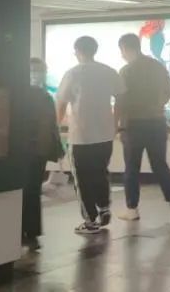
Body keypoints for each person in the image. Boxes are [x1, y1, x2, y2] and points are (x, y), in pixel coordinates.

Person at [56, 36, 125, 234]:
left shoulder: (73, 73)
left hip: (81, 136)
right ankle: (103, 208)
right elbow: (121, 99)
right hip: (104, 135)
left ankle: (90, 222)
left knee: (82, 180)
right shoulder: (108, 71)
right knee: (100, 173)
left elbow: (61, 103)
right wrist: (115, 124)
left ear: (77, 51)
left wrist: (56, 126)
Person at [116, 33, 170, 227]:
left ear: (125, 48)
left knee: (132, 167)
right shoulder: (157, 66)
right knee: (159, 164)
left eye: (122, 51)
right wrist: (156, 105)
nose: (122, 55)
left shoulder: (126, 71)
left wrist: (117, 125)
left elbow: (120, 101)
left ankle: (132, 209)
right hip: (157, 122)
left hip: (133, 124)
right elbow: (169, 91)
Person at [22, 58, 63, 250]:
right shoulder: (42, 96)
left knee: (28, 191)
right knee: (31, 191)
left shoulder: (30, 95)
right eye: (34, 70)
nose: (38, 74)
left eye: (40, 71)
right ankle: (31, 232)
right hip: (35, 150)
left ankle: (26, 231)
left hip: (30, 150)